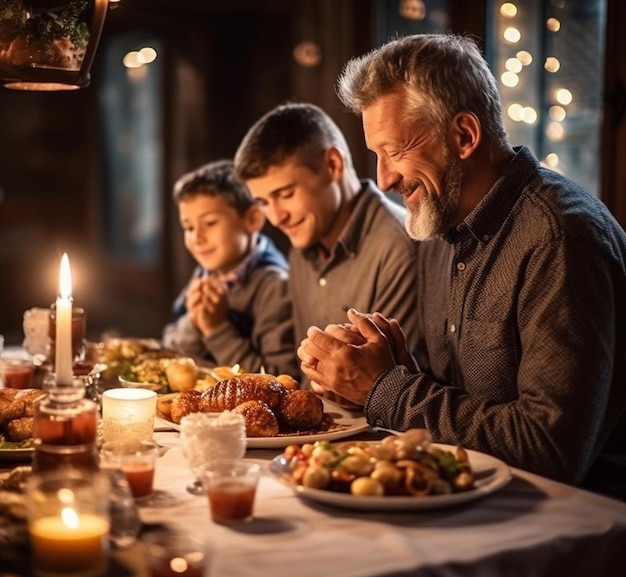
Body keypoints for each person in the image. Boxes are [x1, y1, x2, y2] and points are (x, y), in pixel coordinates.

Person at [297, 34, 626, 500]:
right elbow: (467, 402)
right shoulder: (439, 224)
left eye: (394, 152)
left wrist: (389, 389)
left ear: (465, 136)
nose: (384, 178)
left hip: (580, 526)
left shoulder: (561, 238)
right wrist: (390, 374)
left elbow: (550, 449)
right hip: (481, 503)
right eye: (376, 155)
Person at [233, 102, 420, 390]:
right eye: (263, 202)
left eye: (285, 194)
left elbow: (388, 390)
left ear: (333, 165)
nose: (276, 217)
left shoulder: (401, 246)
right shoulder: (302, 244)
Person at [162, 159, 298, 378]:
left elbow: (277, 378)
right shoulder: (207, 273)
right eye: (188, 227)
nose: (197, 237)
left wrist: (217, 330)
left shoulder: (274, 287)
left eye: (210, 223)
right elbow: (170, 349)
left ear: (253, 219)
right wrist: (195, 323)